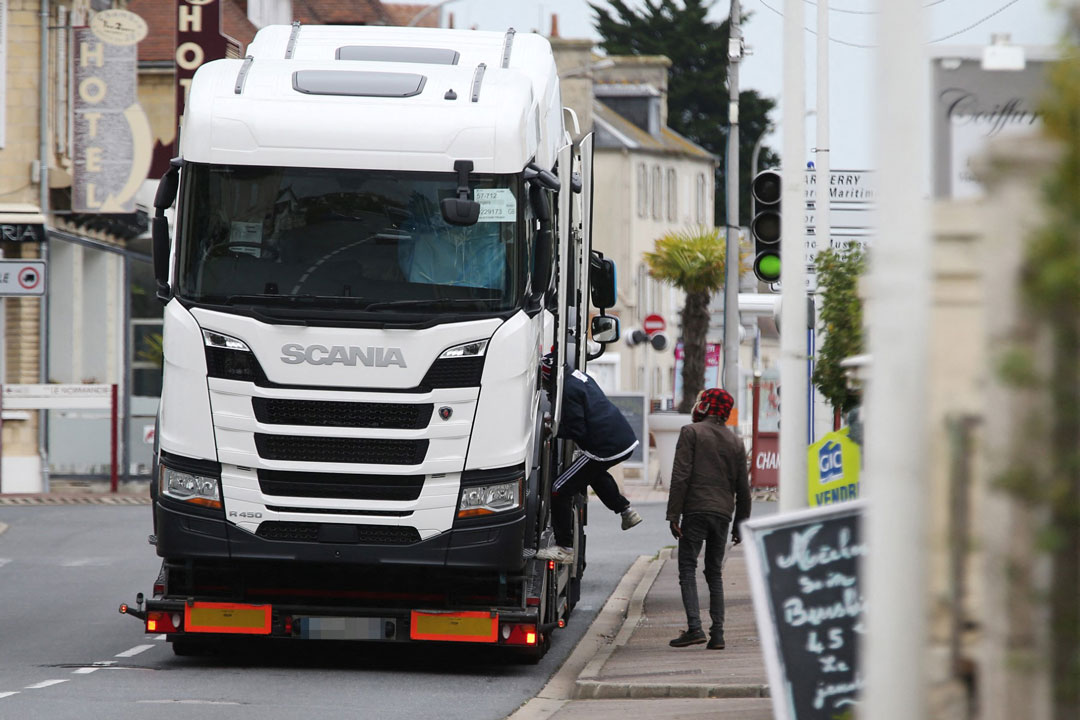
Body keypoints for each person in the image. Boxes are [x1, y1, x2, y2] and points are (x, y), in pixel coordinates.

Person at [535, 356, 643, 563]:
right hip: (622, 439)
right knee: (593, 475)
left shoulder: (566, 390)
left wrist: (552, 429)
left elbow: (578, 429)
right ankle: (626, 511)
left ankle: (564, 548)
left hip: (604, 446)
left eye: (542, 380)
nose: (543, 384)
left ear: (549, 376)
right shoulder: (576, 376)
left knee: (559, 488)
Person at [666, 388, 751, 650]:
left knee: (688, 567)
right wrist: (740, 524)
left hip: (695, 509)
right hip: (723, 513)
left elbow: (681, 476)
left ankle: (694, 628)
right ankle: (718, 634)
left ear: (705, 406)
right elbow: (743, 489)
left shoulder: (691, 433)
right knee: (714, 572)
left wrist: (673, 514)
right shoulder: (736, 442)